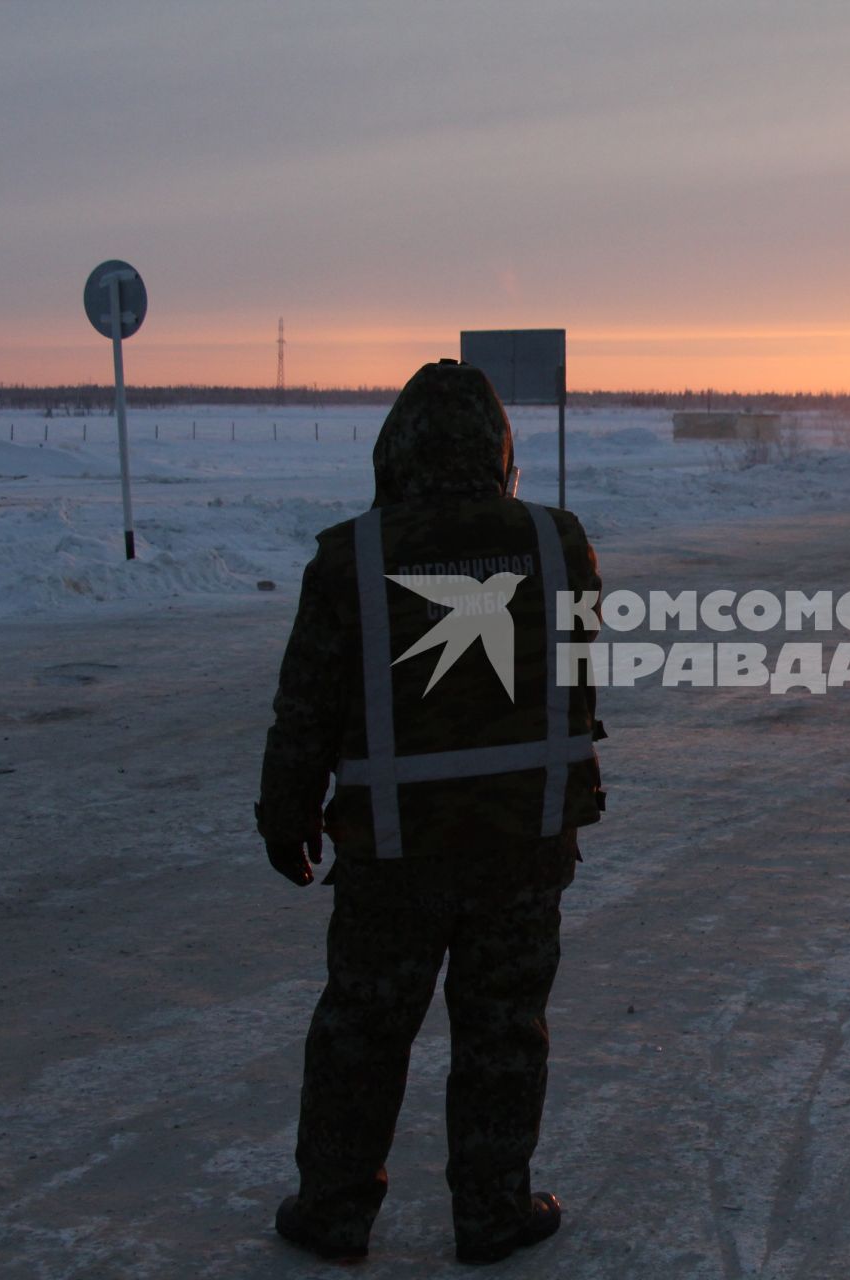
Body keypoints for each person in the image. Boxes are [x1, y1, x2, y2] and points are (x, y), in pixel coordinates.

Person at [255, 360, 604, 1265]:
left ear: (395, 451)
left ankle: (333, 1211)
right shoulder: (558, 542)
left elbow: (307, 710)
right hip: (523, 845)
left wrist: (284, 813)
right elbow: (576, 686)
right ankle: (493, 1212)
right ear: (499, 451)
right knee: (503, 1036)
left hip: (394, 854)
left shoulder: (351, 556)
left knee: (362, 1035)